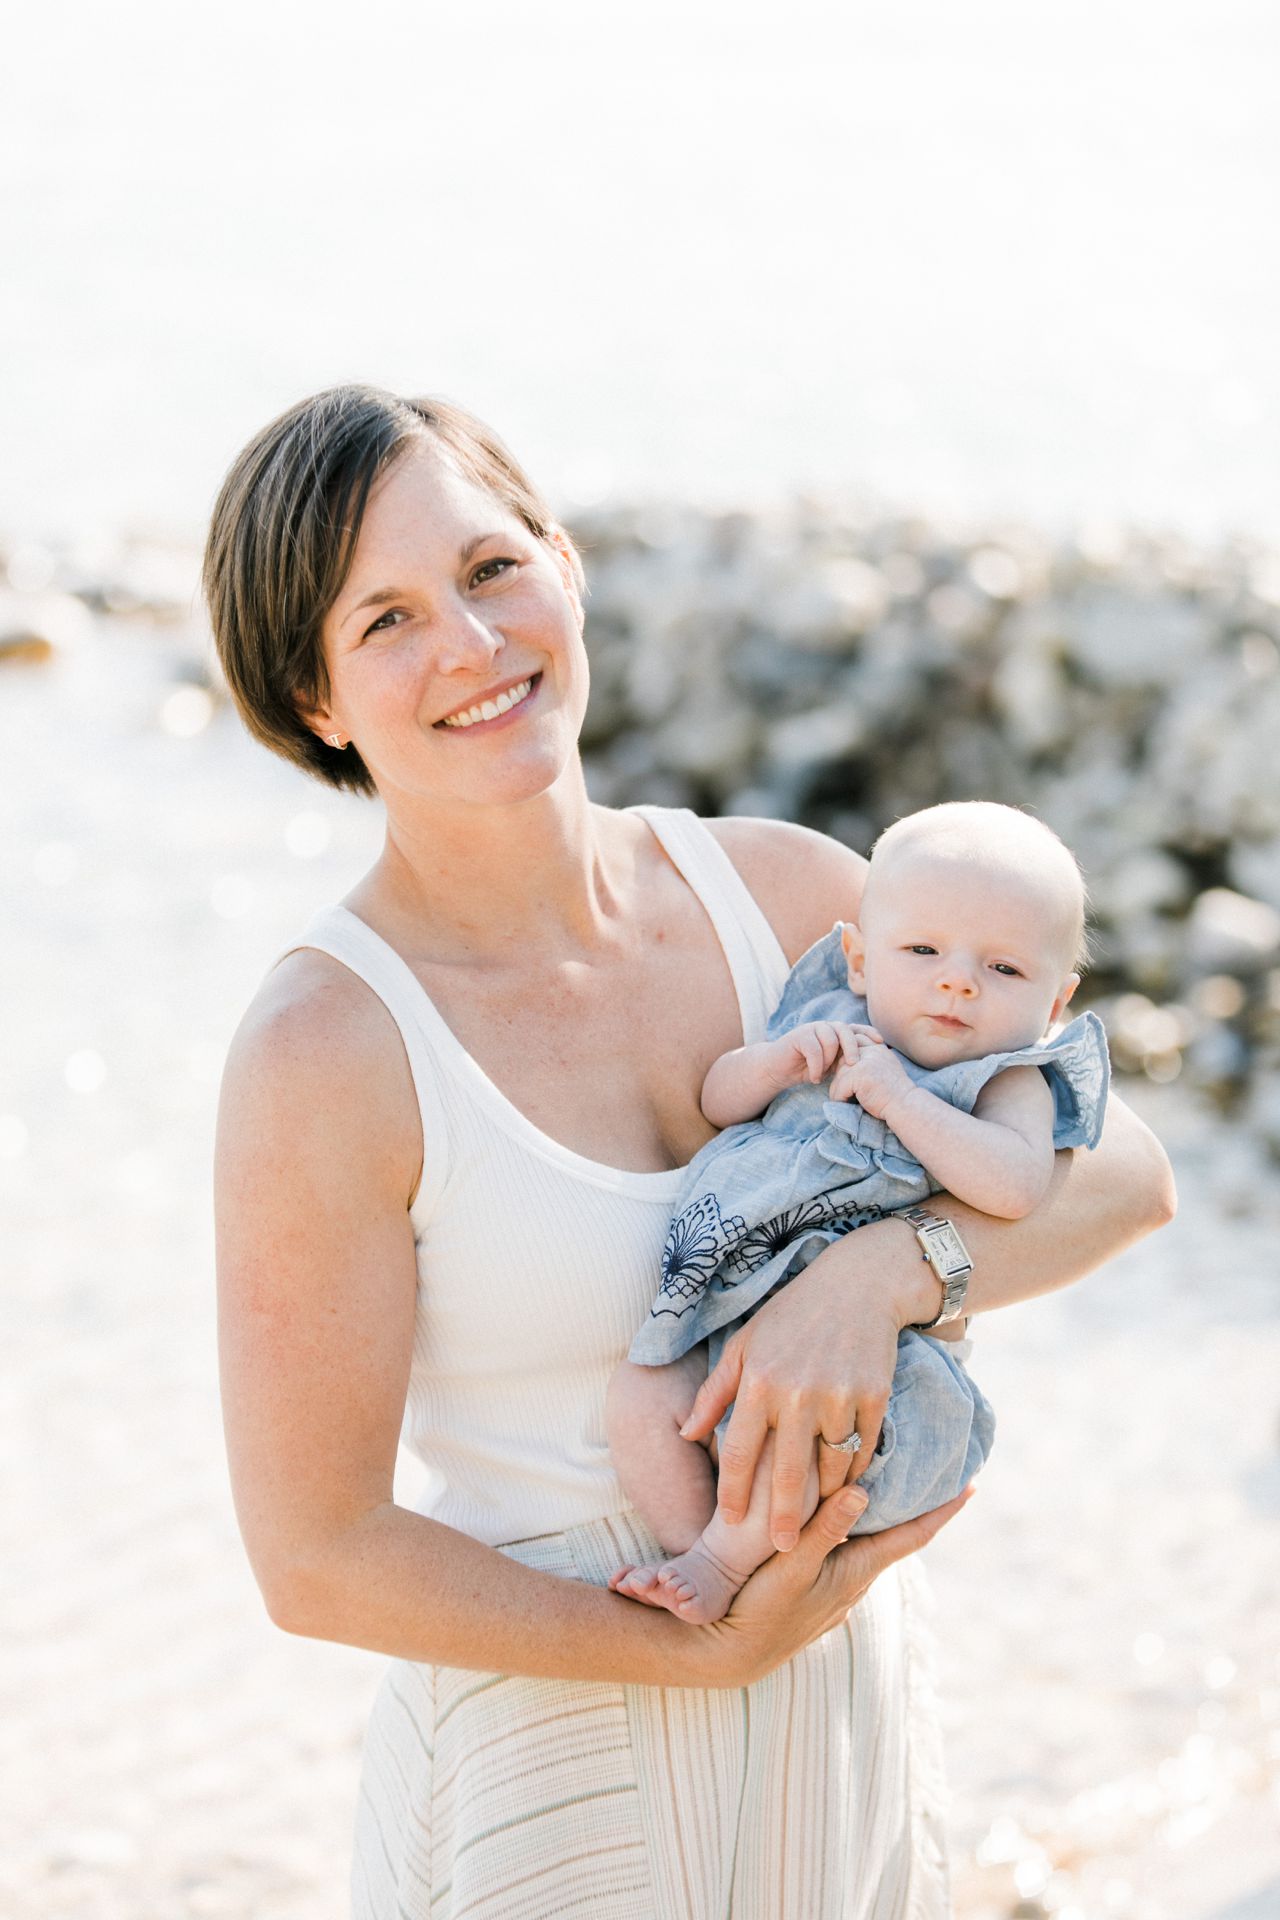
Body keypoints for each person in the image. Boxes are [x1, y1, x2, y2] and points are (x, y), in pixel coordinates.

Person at [205, 384, 1176, 1920]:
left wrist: (877, 1277)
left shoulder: (790, 900)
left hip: (845, 1706)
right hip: (561, 1752)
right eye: (381, 622)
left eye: (488, 568)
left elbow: (1123, 1173)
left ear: (566, 564)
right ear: (315, 700)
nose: (470, 644)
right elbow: (316, 1555)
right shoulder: (328, 1048)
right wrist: (694, 1644)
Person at [607, 802, 1109, 1624]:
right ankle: (696, 1541)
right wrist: (774, 1064)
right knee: (641, 1395)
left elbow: (1016, 1186)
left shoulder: (1008, 1080)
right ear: (859, 959)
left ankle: (722, 1566)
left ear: (1057, 1001)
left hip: (876, 1361)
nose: (958, 982)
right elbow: (717, 1100)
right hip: (725, 1300)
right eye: (923, 952)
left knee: (803, 1439)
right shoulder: (826, 1018)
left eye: (1005, 971)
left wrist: (904, 1102)